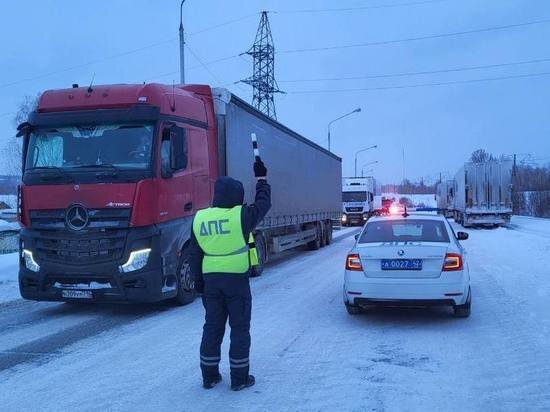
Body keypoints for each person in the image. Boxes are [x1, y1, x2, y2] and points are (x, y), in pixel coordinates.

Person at [189, 158, 271, 391]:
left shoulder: (200, 218)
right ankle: (239, 379)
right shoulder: (241, 216)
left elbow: (195, 253)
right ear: (236, 196)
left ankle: (209, 376)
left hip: (211, 283)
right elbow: (263, 203)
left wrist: (198, 282)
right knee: (239, 329)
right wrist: (261, 179)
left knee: (212, 327)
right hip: (236, 282)